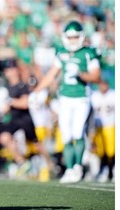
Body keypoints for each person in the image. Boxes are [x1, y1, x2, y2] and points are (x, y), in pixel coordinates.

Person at [33, 20, 101, 183]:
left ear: (81, 37)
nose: (72, 40)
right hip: (65, 99)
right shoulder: (61, 53)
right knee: (66, 135)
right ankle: (70, 169)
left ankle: (77, 166)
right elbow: (51, 75)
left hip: (81, 98)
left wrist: (82, 74)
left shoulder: (88, 53)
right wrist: (37, 90)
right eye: (69, 37)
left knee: (78, 132)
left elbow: (96, 77)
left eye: (75, 37)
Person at [91, 79, 115, 182]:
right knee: (101, 151)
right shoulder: (94, 96)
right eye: (101, 84)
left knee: (112, 151)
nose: (103, 87)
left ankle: (113, 170)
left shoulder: (113, 95)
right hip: (98, 127)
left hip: (111, 126)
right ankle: (104, 170)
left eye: (104, 84)